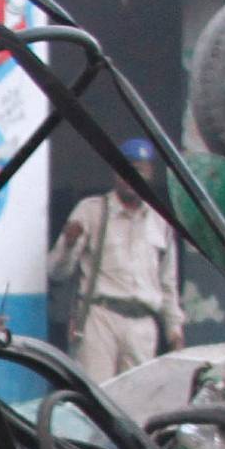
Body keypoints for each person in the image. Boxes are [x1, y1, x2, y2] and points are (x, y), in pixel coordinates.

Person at [48, 140, 185, 383]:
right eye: (127, 169)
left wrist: (174, 331)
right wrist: (68, 245)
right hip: (100, 319)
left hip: (143, 325)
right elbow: (57, 272)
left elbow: (168, 284)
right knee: (95, 397)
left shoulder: (160, 220)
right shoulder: (91, 210)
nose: (132, 177)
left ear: (150, 173)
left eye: (140, 170)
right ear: (115, 173)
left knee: (136, 401)